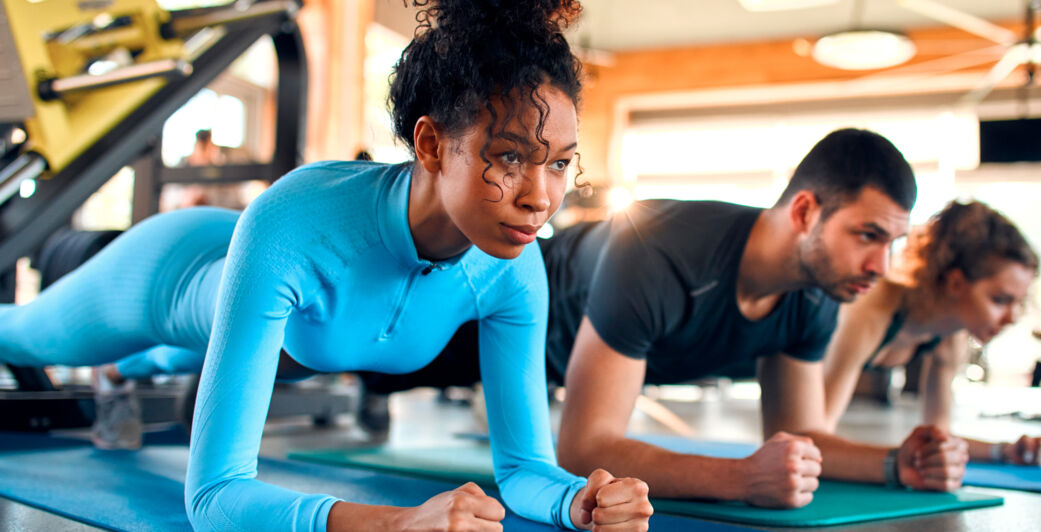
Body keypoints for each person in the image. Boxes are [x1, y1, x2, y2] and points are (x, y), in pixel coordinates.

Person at [0, 1, 653, 530]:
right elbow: (215, 494)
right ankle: (119, 358)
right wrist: (396, 524)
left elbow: (523, 470)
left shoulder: (513, 268)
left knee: (195, 354)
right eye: (510, 157)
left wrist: (579, 502)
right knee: (21, 333)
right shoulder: (297, 221)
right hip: (170, 270)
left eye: (560, 162)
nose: (541, 196)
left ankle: (126, 369)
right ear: (430, 144)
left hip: (279, 322)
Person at [356, 128, 968, 508]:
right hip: (490, 307)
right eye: (867, 235)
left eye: (891, 242)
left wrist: (896, 464)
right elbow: (584, 448)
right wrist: (739, 479)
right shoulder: (662, 249)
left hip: (548, 359)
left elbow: (801, 437)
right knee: (349, 355)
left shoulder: (815, 294)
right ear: (805, 211)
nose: (880, 265)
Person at [823, 200, 1041, 465]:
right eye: (1000, 300)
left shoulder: (950, 335)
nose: (1013, 317)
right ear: (955, 283)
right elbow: (812, 436)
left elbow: (939, 439)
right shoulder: (871, 311)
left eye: (1019, 302)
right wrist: (899, 464)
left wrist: (1005, 451)